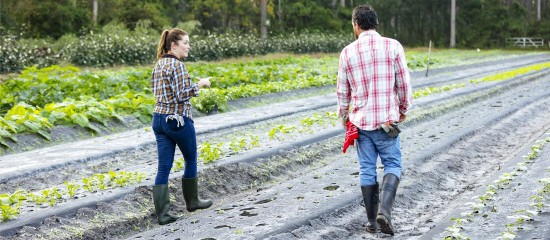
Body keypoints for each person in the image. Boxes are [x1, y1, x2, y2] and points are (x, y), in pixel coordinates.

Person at [336, 5, 412, 236]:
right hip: (386, 121)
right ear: (376, 24)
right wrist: (403, 108)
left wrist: (344, 117)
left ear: (356, 25)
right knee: (393, 165)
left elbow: (342, 92)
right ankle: (385, 213)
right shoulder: (393, 46)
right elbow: (404, 84)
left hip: (361, 122)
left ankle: (371, 222)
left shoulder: (347, 52)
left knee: (366, 168)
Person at [150, 28, 213, 225]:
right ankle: (193, 202)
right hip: (177, 120)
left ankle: (164, 214)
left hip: (159, 119)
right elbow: (181, 95)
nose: (188, 46)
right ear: (174, 45)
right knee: (191, 159)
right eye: (185, 42)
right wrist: (199, 85)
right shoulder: (177, 66)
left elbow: (158, 91)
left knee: (164, 167)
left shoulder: (159, 64)